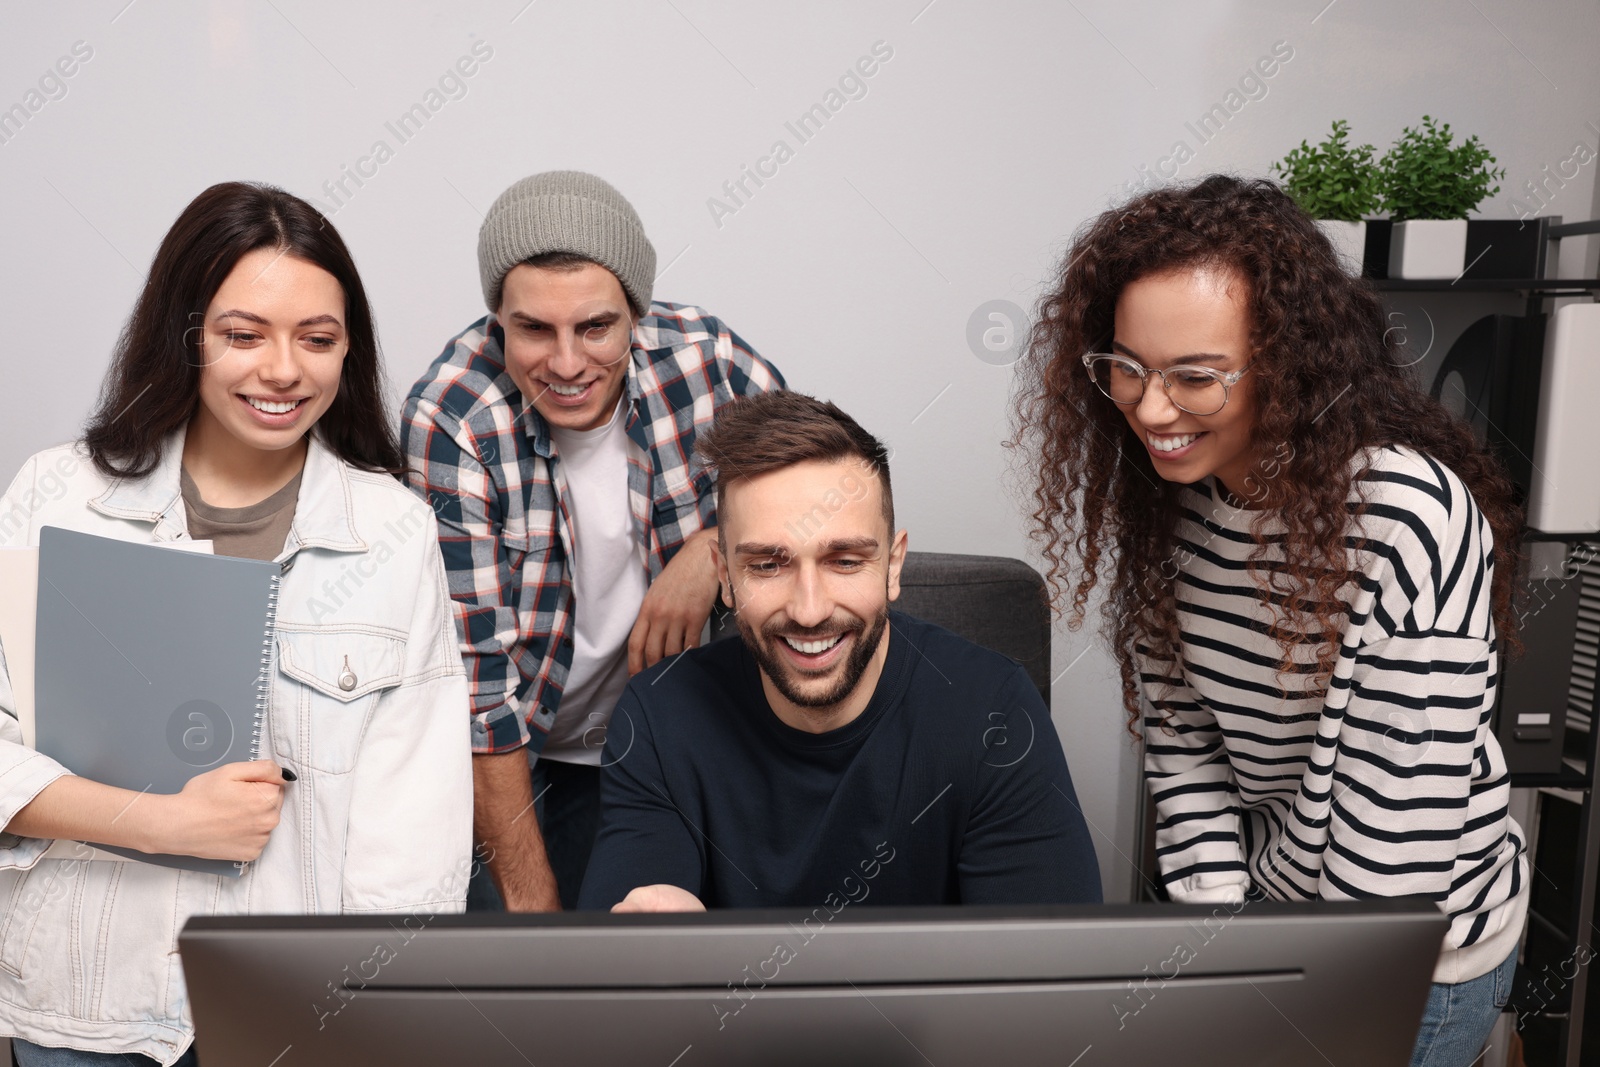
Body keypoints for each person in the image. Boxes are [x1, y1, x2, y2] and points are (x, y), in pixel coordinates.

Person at [1014, 174, 1528, 1067]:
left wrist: (1294, 1005)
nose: (1149, 408)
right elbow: (1181, 738)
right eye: (1125, 367)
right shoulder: (1167, 499)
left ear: (1289, 367)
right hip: (1275, 928)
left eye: (1196, 377)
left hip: (1417, 953)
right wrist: (1224, 947)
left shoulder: (1404, 516)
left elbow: (1389, 865)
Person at [0, 182, 472, 1066]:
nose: (283, 370)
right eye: (243, 335)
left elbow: (414, 840)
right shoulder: (58, 497)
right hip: (81, 1014)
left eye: (318, 339)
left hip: (293, 1022)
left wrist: (374, 1020)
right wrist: (160, 821)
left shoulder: (391, 532)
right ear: (185, 336)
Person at [402, 171, 785, 913]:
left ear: (636, 315)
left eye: (596, 327)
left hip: (673, 731)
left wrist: (713, 547)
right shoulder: (451, 419)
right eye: (534, 329)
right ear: (497, 319)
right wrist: (530, 897)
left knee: (652, 971)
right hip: (517, 748)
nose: (568, 364)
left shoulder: (710, 362)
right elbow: (477, 690)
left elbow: (823, 501)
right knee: (523, 974)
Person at [577, 391, 1102, 912]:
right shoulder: (659, 715)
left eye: (845, 561)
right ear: (724, 577)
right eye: (767, 565)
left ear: (893, 566)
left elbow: (1043, 972)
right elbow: (623, 954)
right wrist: (648, 940)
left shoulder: (995, 711)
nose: (809, 611)